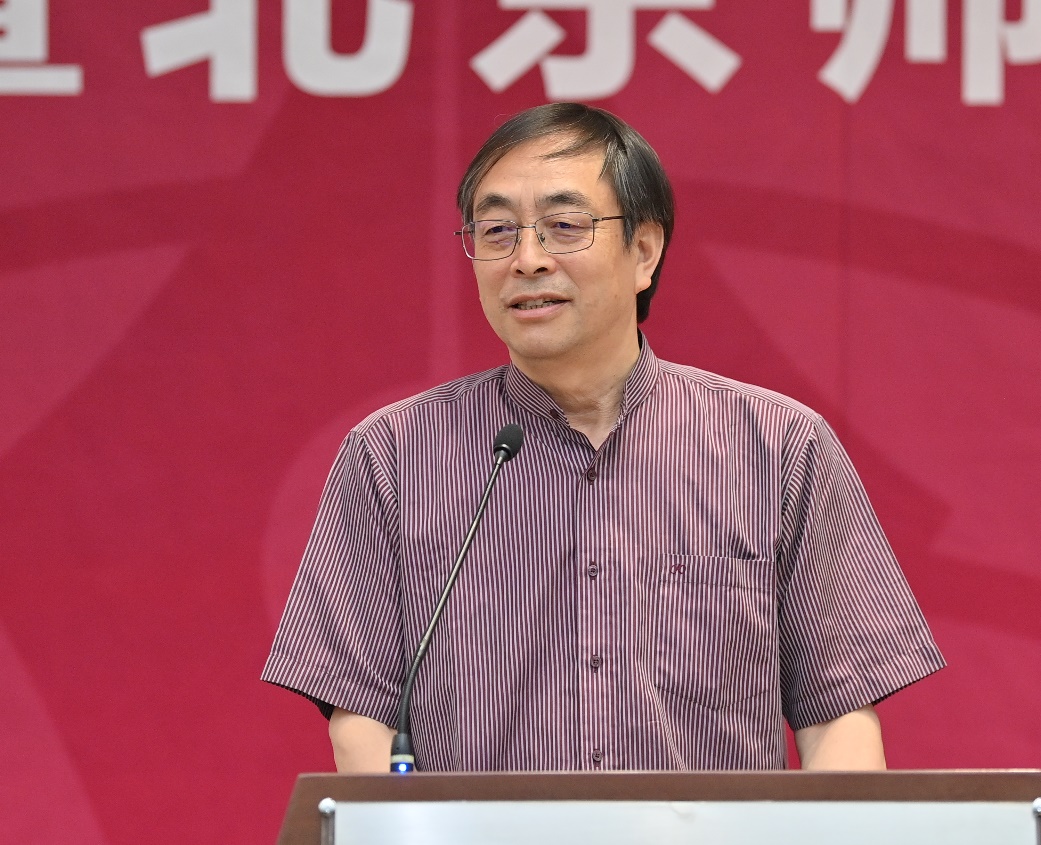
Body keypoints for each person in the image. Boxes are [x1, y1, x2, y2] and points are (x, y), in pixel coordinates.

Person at [262, 103, 943, 773]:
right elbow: (363, 723)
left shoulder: (780, 447)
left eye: (563, 226)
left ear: (643, 251)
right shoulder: (392, 455)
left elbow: (838, 720)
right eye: (497, 231)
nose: (528, 259)